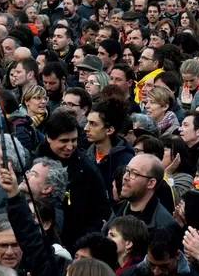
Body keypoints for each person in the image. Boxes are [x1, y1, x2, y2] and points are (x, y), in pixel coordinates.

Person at [36, 111, 110, 249]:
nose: (70, 147)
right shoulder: (34, 162)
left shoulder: (86, 169)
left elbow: (100, 211)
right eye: (64, 141)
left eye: (74, 140)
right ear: (49, 137)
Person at [84, 99, 134, 202]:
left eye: (93, 124)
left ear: (109, 130)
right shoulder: (85, 156)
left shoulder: (126, 162)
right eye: (87, 122)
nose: (86, 128)